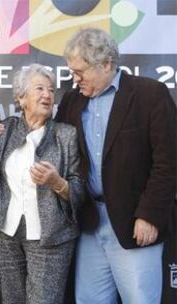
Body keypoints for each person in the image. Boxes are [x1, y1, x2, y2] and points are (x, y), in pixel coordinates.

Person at [54, 28, 176, 303]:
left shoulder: (150, 94)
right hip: (90, 224)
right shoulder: (72, 101)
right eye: (72, 72)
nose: (75, 79)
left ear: (106, 64)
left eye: (80, 71)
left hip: (136, 223)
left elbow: (168, 162)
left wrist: (150, 215)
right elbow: (55, 146)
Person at [0, 64, 84, 304]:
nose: (47, 95)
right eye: (39, 88)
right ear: (21, 98)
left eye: (50, 89)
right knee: (12, 300)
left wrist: (57, 183)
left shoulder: (66, 135)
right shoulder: (5, 130)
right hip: (7, 233)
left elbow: (79, 191)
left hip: (51, 236)